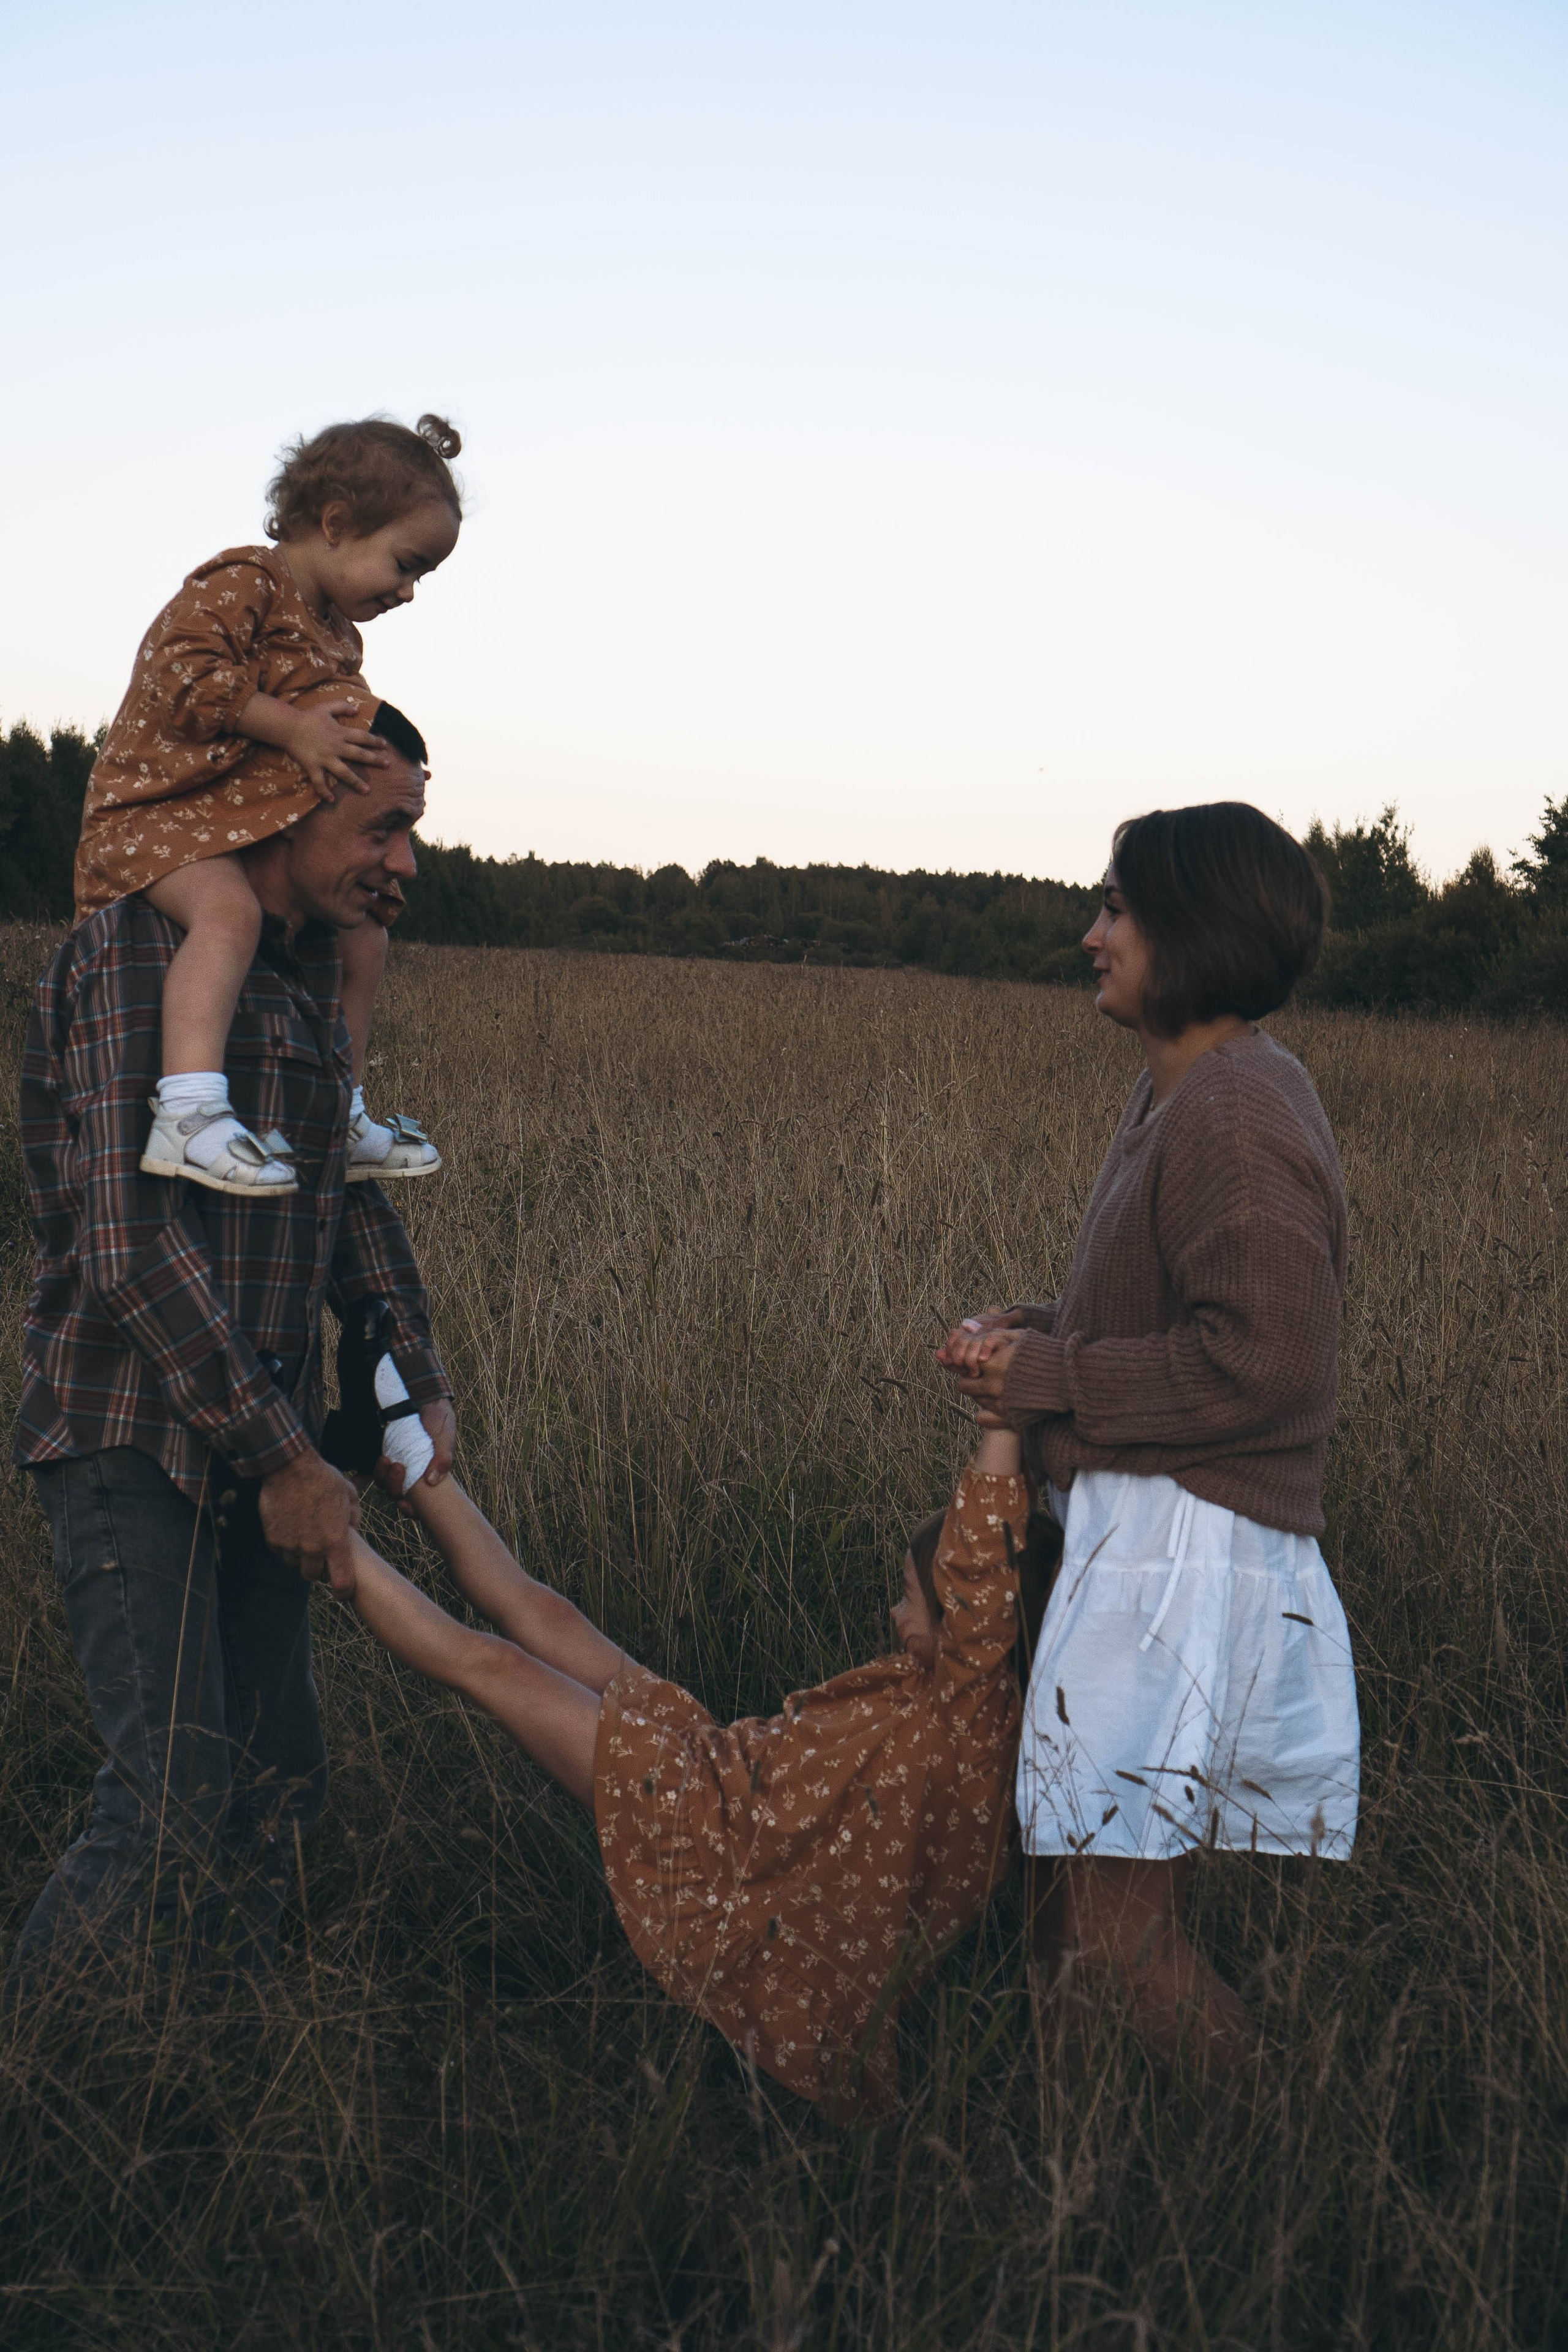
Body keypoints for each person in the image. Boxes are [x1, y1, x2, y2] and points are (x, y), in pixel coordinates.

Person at [326, 1329, 1057, 2119]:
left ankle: (321, 1529)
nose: (892, 1613)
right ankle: (396, 1447)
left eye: (911, 1601)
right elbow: (991, 1576)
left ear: (976, 1628)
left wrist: (1001, 1425)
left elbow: (986, 1565)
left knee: (496, 1667)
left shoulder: (972, 1715)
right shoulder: (958, 1696)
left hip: (720, 1845)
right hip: (716, 1767)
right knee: (545, 1614)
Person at [10, 723, 456, 1991]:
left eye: (413, 826)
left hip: (266, 1447)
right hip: (130, 1435)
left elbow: (340, 1204)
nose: (405, 861)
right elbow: (129, 1241)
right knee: (163, 1807)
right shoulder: (137, 951)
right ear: (277, 802)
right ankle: (37, 2102)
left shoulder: (314, 976)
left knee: (276, 1787)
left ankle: (211, 2071)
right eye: (380, 826)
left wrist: (409, 1372)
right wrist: (287, 1456)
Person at [938, 801, 1359, 2075]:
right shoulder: (1182, 1090)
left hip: (1182, 1552)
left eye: (1114, 907)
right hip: (1148, 1535)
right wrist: (1040, 1331)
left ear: (1189, 927)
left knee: (1114, 1933)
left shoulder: (1233, 1108)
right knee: (1069, 1909)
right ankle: (1081, 2181)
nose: (1089, 933)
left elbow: (1265, 1362)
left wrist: (1050, 1372)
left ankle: (1284, 2169)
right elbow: (1177, 1320)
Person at [72, 413, 463, 1197]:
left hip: (220, 825)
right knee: (232, 918)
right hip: (151, 819)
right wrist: (291, 730)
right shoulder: (244, 581)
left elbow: (349, 748)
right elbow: (176, 676)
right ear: (336, 523)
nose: (410, 591)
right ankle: (187, 1113)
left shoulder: (339, 639)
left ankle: (341, 1112)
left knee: (365, 941)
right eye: (405, 563)